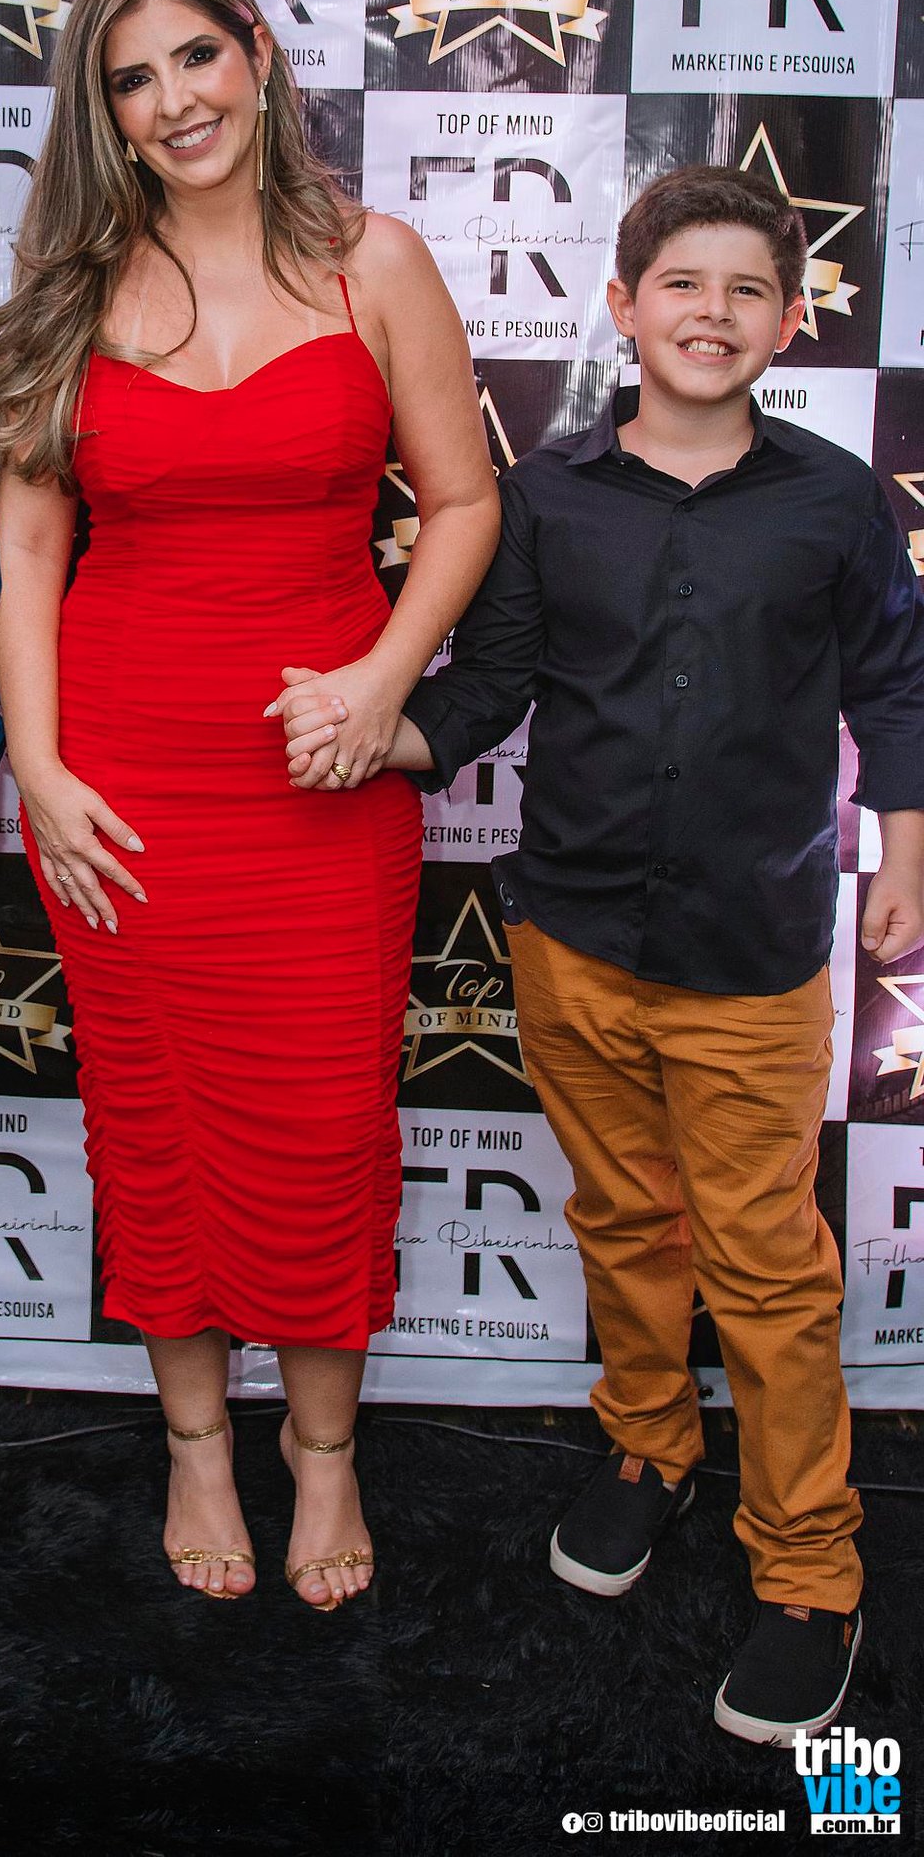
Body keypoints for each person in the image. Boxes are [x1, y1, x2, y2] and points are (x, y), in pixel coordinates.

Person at [284, 165, 924, 1737]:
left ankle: (810, 1567)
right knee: (624, 1220)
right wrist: (373, 733)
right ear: (625, 307)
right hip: (572, 937)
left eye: (749, 290)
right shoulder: (551, 495)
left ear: (791, 321)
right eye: (682, 284)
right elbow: (493, 680)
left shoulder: (837, 500)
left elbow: (896, 688)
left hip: (755, 954)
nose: (714, 313)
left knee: (767, 1266)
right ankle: (648, 1447)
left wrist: (906, 854)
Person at [0, 0, 498, 1610]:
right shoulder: (70, 291)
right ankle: (196, 1442)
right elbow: (26, 552)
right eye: (133, 79)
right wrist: (36, 767)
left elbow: (464, 503)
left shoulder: (376, 262)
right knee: (154, 1124)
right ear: (107, 113)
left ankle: (323, 1454)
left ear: (258, 55)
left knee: (327, 1128)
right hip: (123, 788)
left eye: (196, 55)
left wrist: (382, 680)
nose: (174, 99)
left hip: (324, 788)